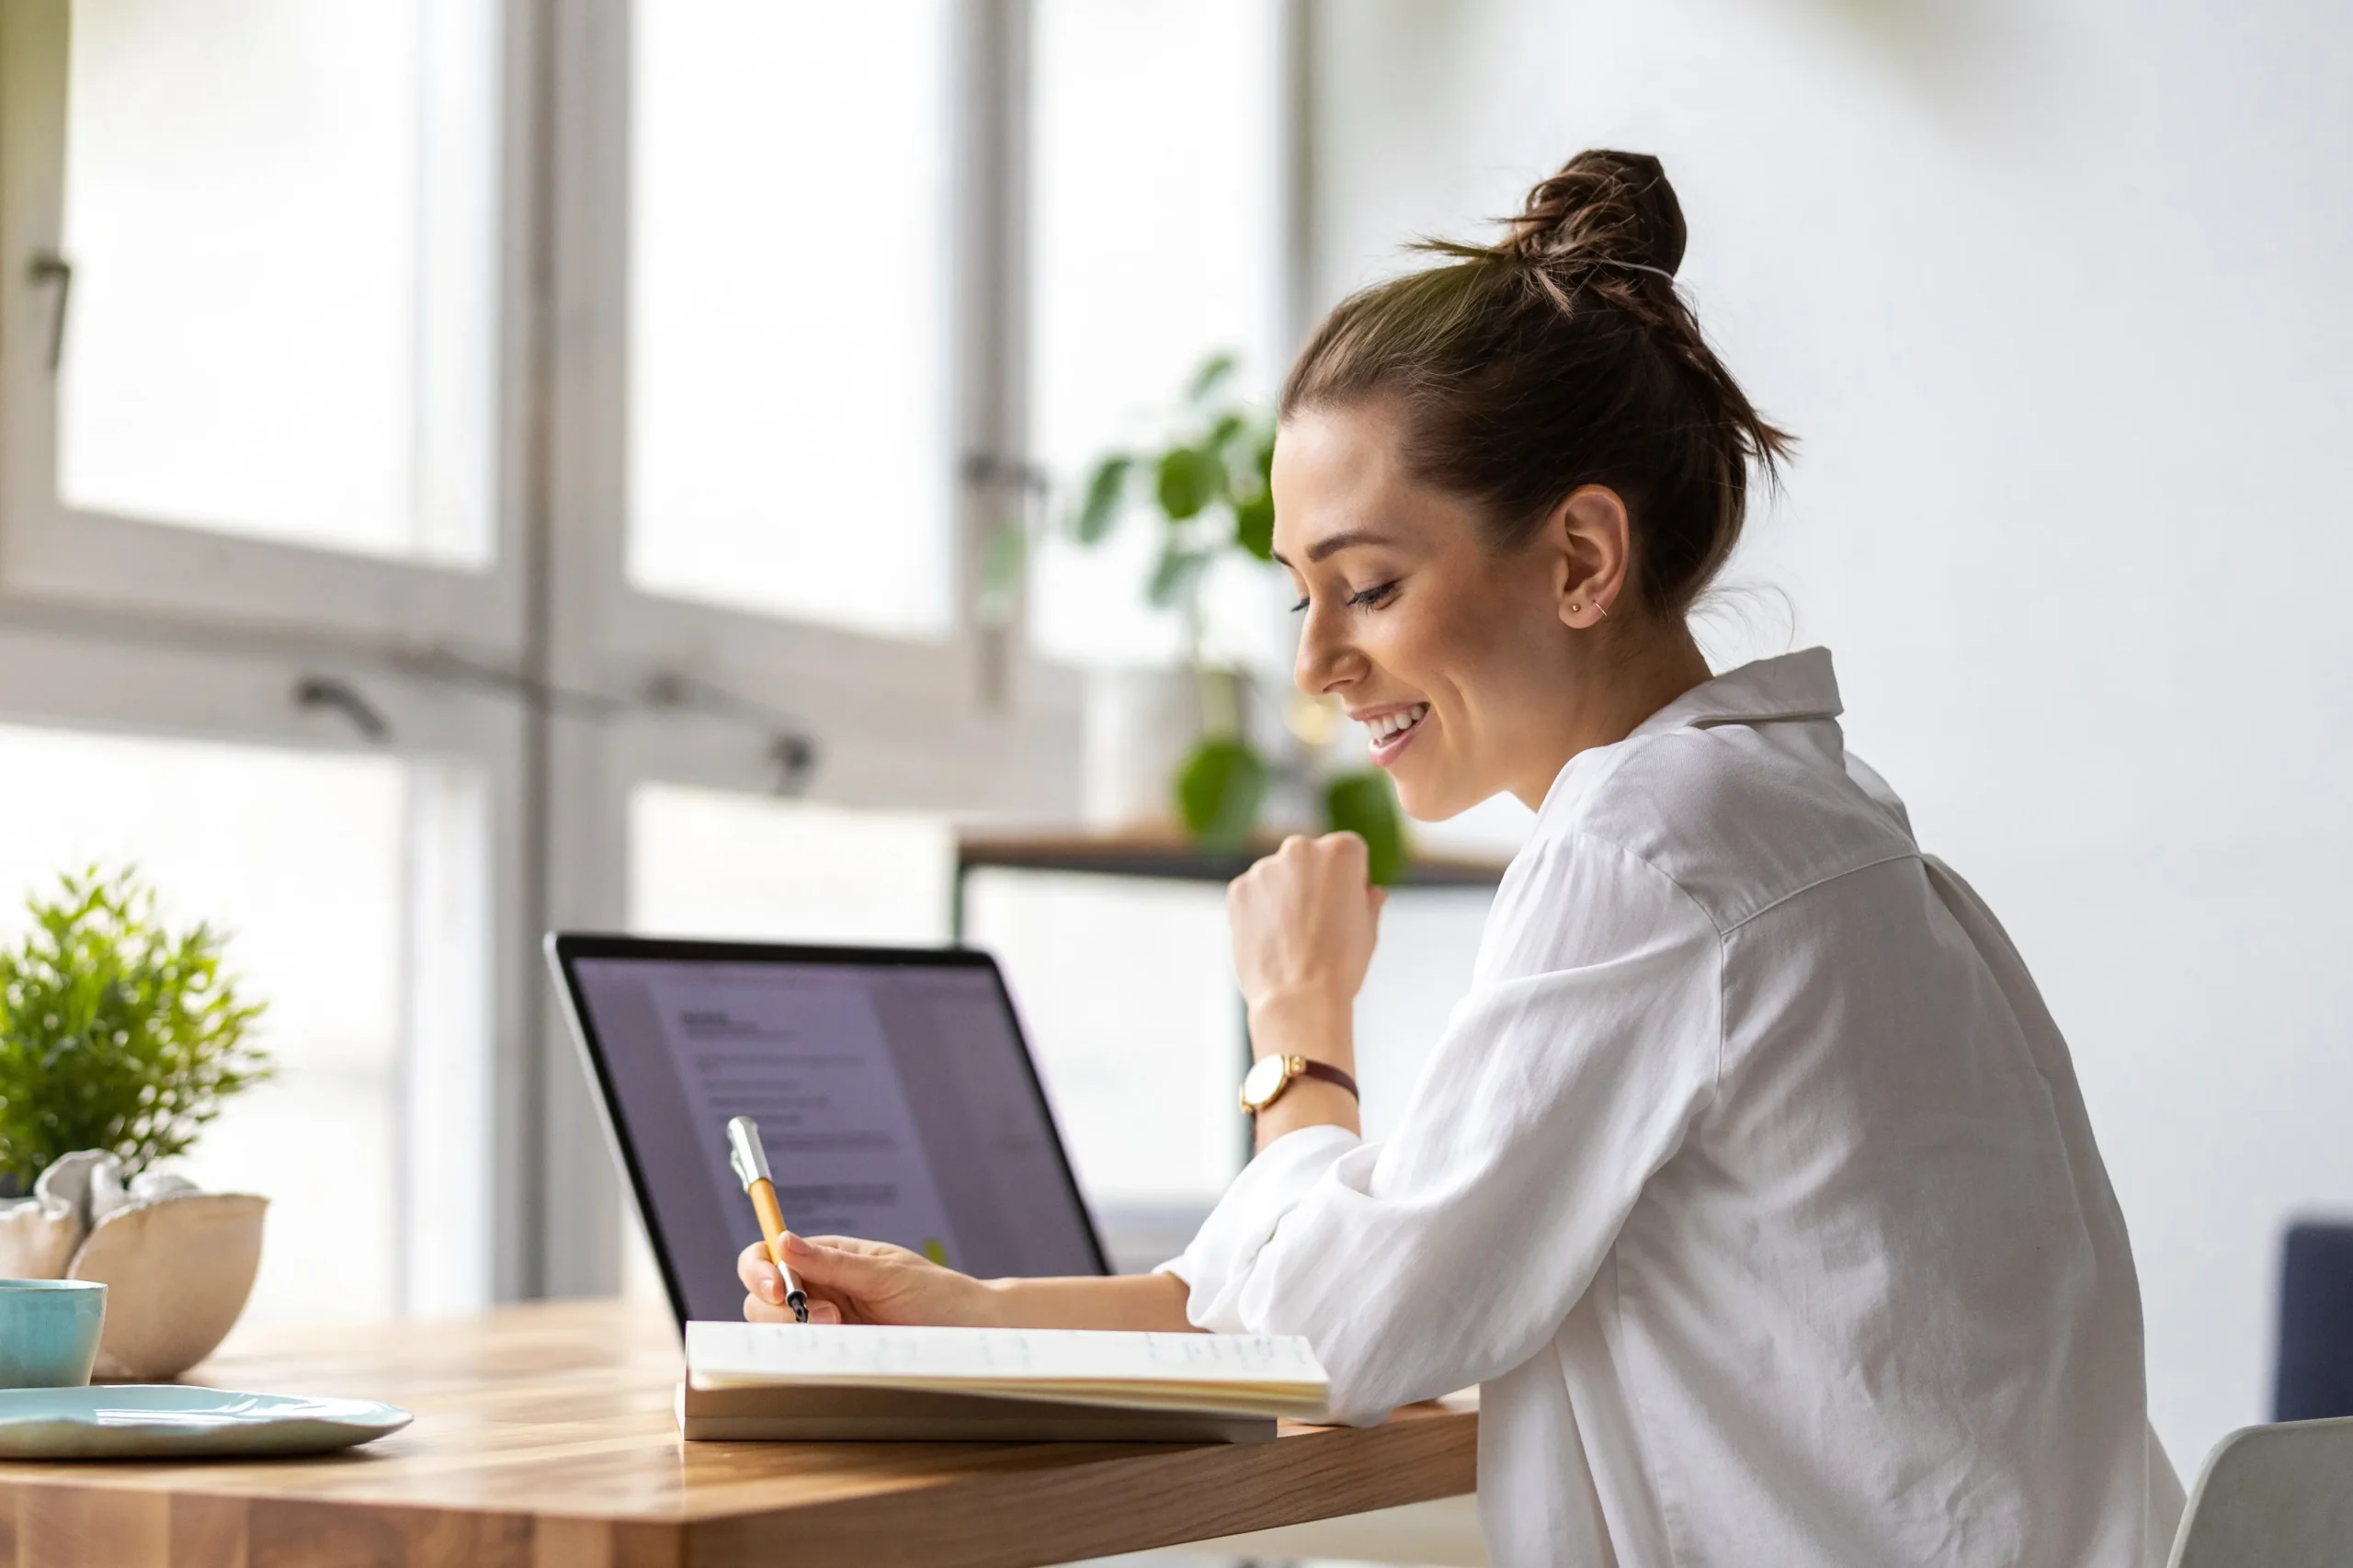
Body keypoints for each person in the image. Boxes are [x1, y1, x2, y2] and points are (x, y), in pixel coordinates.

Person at [740, 150, 2182, 1568]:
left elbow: (1345, 1331)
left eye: (1368, 585)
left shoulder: (1652, 850)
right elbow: (1397, 1271)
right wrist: (977, 1312)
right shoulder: (1808, 816)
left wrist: (1297, 1030)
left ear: (1579, 560)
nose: (1317, 659)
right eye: (1300, 593)